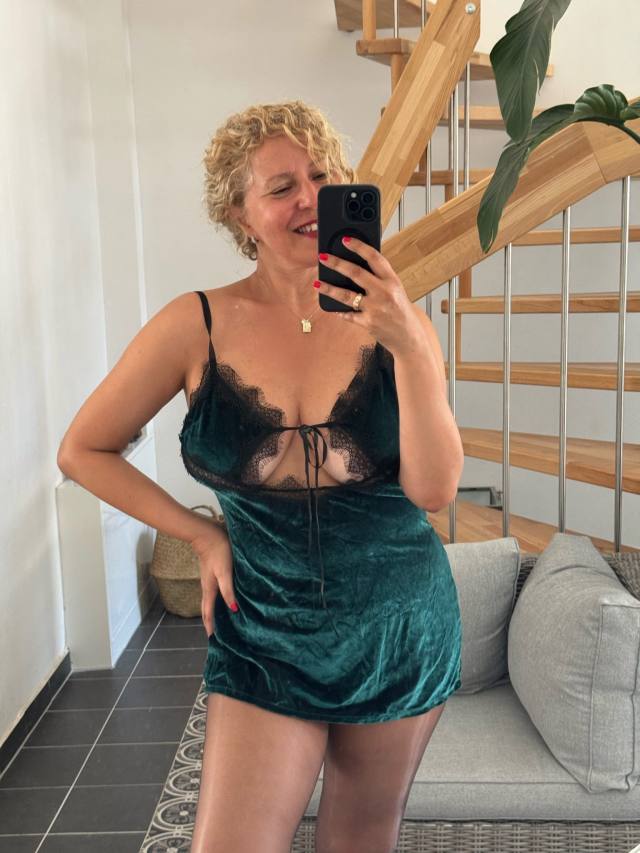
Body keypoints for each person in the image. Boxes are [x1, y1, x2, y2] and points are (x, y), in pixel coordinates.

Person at [57, 99, 465, 853]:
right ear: (239, 215)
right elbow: (83, 449)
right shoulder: (195, 324)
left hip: (397, 623)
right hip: (263, 629)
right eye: (282, 187)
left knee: (359, 840)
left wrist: (410, 345)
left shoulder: (397, 321)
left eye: (323, 177)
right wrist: (201, 534)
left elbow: (435, 490)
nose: (310, 198)